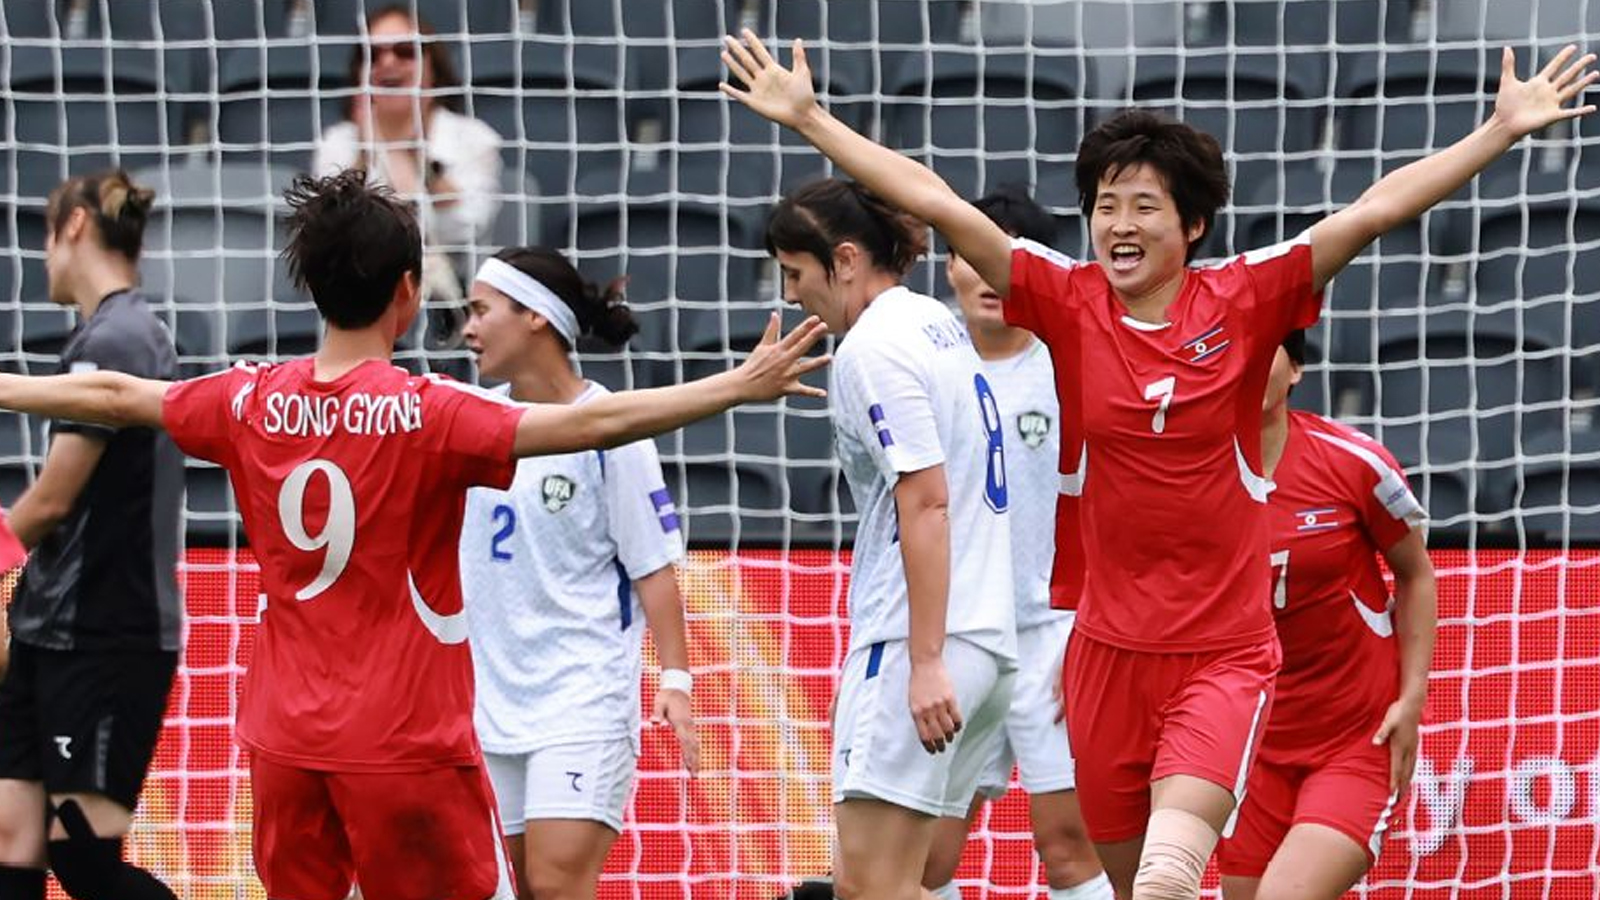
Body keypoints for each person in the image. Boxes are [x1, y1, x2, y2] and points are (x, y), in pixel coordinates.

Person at [720, 30, 1594, 900]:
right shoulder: (1067, 299)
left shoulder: (1248, 297)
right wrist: (811, 119)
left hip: (1222, 653)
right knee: (1128, 883)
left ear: (1192, 224)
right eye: (1106, 205)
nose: (1120, 224)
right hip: (1104, 654)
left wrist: (1498, 131)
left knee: (1170, 876)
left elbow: (1371, 211)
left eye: (1143, 205)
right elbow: (941, 205)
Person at [0, 168, 828, 900]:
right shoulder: (429, 414)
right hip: (402, 741)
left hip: (284, 739)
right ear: (406, 291)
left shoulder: (247, 398)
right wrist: (733, 386)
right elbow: (593, 421)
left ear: (311, 287)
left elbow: (114, 396)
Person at [766, 177, 1017, 900]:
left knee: (869, 887)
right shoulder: (936, 322)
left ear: (845, 260)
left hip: (919, 643)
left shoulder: (872, 347)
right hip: (986, 641)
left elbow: (926, 500)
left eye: (796, 273)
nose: (790, 294)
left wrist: (924, 659)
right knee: (906, 880)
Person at [457, 247, 700, 900]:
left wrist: (676, 679)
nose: (467, 329)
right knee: (521, 888)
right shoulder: (473, 421)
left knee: (557, 882)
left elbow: (653, 570)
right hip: (491, 703)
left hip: (581, 697)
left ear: (535, 317)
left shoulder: (613, 431)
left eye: (481, 311)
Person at [921, 187, 1110, 900]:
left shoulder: (1074, 365)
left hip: (1054, 636)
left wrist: (1090, 625)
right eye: (972, 257)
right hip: (957, 634)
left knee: (1069, 849)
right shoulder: (923, 366)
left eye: (1004, 258)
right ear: (950, 266)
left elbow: (1115, 504)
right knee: (926, 861)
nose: (987, 276)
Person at [0, 171, 183, 899]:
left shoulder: (120, 337)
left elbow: (52, 500)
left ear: (74, 225)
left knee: (81, 858)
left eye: (45, 237)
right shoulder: (100, 335)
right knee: (11, 844)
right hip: (48, 630)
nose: (42, 258)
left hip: (104, 635)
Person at [1216, 331, 1437, 900]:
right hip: (1248, 743)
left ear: (1296, 370)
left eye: (1263, 350)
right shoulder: (1185, 476)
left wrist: (1411, 700)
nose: (1247, 365)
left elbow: (1416, 574)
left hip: (1354, 738)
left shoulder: (1354, 463)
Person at [314, 3, 502, 315]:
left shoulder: (474, 139)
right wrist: (365, 152)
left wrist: (418, 158)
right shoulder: (338, 142)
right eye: (373, 54)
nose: (388, 62)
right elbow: (332, 236)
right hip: (360, 301)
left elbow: (465, 230)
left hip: (455, 303)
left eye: (405, 51)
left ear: (433, 67)